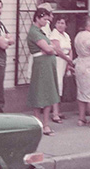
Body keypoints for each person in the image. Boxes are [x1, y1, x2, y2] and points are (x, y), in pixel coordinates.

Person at [27, 8, 60, 136]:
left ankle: (45, 123)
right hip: (41, 66)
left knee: (48, 93)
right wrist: (51, 48)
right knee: (40, 93)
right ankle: (41, 124)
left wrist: (51, 48)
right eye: (45, 19)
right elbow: (49, 48)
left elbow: (53, 47)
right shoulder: (34, 32)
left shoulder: (41, 31)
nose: (47, 21)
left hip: (47, 65)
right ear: (38, 18)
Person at [49, 16, 74, 123]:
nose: (60, 25)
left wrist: (69, 62)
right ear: (55, 24)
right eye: (58, 22)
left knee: (62, 85)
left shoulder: (66, 35)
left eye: (62, 23)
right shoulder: (54, 34)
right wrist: (68, 59)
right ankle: (54, 113)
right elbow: (58, 50)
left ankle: (58, 111)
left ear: (66, 25)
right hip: (58, 61)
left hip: (65, 61)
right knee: (57, 85)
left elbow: (70, 49)